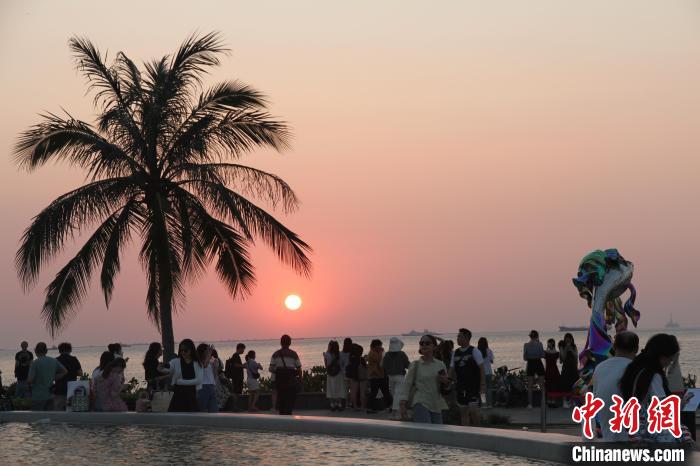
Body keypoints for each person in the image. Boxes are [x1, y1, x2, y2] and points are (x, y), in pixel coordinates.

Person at [620, 333, 683, 443]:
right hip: (652, 437)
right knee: (688, 443)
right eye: (671, 360)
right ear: (663, 356)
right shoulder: (653, 376)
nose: (669, 364)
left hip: (633, 432)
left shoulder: (634, 369)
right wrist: (680, 405)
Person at [591, 331, 639, 441]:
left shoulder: (600, 368)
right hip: (631, 439)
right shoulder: (637, 369)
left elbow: (596, 401)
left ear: (614, 346)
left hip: (607, 436)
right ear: (636, 349)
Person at [400, 334, 449, 424]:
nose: (424, 345)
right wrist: (402, 404)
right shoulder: (415, 364)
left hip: (436, 403)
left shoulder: (440, 364)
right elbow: (407, 384)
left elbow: (445, 387)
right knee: (425, 433)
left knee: (437, 433)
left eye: (427, 343)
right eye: (422, 343)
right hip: (420, 402)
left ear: (434, 346)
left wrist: (445, 382)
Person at [449, 328, 485, 425]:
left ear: (466, 338)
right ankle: (466, 433)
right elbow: (451, 368)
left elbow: (482, 368)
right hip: (461, 386)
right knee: (463, 411)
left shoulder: (474, 351)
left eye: (459, 336)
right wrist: (449, 382)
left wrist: (482, 385)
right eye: (457, 336)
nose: (457, 338)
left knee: (473, 410)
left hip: (473, 386)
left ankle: (478, 430)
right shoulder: (455, 353)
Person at [27, 342, 67, 411]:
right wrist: (54, 378)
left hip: (38, 397)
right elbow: (65, 371)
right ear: (46, 351)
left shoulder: (35, 363)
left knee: (37, 419)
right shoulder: (54, 361)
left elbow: (30, 380)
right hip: (50, 395)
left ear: (35, 351)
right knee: (49, 418)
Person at [269, 335, 302, 415]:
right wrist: (300, 380)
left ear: (281, 343)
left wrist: (279, 371)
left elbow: (270, 369)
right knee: (290, 402)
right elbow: (299, 369)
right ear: (290, 343)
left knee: (281, 402)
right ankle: (289, 417)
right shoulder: (294, 354)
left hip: (279, 382)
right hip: (291, 382)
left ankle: (282, 418)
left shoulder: (275, 354)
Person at [168, 339, 203, 412]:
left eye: (185, 350)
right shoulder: (175, 361)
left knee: (191, 418)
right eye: (181, 350)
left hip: (191, 396)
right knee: (175, 418)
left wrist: (181, 382)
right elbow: (168, 369)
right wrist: (160, 368)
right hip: (178, 395)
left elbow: (199, 380)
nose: (183, 352)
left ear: (191, 350)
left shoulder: (197, 363)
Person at [383, 337, 410, 417]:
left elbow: (383, 365)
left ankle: (394, 410)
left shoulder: (387, 354)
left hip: (390, 376)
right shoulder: (402, 354)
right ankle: (395, 411)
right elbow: (407, 364)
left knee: (394, 393)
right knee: (398, 393)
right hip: (400, 376)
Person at [53, 342, 82, 411]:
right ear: (70, 350)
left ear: (59, 350)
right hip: (72, 389)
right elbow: (80, 373)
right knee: (71, 410)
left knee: (58, 411)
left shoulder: (56, 360)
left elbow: (53, 375)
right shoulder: (74, 359)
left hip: (59, 389)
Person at [366, 339, 393, 413]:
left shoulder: (375, 352)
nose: (380, 347)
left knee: (385, 392)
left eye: (380, 346)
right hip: (375, 376)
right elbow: (379, 360)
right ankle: (369, 408)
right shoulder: (372, 353)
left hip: (380, 375)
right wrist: (382, 351)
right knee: (374, 392)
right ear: (374, 346)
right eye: (379, 346)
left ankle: (389, 406)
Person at [523, 330, 545, 409]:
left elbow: (525, 358)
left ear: (530, 336)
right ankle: (543, 403)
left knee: (530, 386)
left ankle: (530, 404)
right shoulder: (539, 344)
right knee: (542, 384)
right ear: (537, 336)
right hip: (538, 363)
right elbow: (542, 355)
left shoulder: (526, 345)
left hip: (530, 364)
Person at [324, 340, 346, 412]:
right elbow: (342, 365)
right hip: (339, 374)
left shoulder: (326, 355)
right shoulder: (340, 354)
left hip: (330, 374)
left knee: (331, 389)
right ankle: (339, 404)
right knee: (339, 389)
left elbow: (326, 365)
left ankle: (332, 404)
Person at [196, 343, 218, 413]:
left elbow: (213, 375)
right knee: (201, 410)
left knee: (214, 410)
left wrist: (215, 367)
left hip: (211, 386)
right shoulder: (198, 361)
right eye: (207, 350)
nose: (209, 352)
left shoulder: (209, 361)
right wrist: (210, 352)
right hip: (203, 387)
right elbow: (204, 365)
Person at [559, 333, 578, 408]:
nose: (568, 339)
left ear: (571, 339)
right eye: (566, 338)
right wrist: (566, 349)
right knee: (565, 385)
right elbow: (562, 358)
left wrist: (571, 350)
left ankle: (572, 401)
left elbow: (576, 357)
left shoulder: (574, 346)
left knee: (574, 385)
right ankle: (564, 401)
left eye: (569, 338)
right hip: (566, 368)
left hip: (573, 368)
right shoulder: (562, 346)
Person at [347, 343, 368, 411]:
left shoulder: (350, 359)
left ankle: (355, 406)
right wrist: (365, 360)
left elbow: (349, 368)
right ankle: (362, 406)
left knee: (353, 392)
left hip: (353, 377)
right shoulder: (361, 359)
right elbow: (365, 367)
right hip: (362, 377)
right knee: (362, 392)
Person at [477, 337, 494, 408]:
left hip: (481, 373)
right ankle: (489, 404)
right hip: (489, 372)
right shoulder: (489, 351)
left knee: (482, 389)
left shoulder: (477, 351)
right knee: (489, 388)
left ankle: (484, 404)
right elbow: (491, 361)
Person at [340, 338, 353, 407]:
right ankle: (350, 403)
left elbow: (341, 365)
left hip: (345, 374)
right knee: (351, 389)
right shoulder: (352, 353)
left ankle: (347, 403)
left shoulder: (341, 353)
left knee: (346, 390)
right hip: (351, 374)